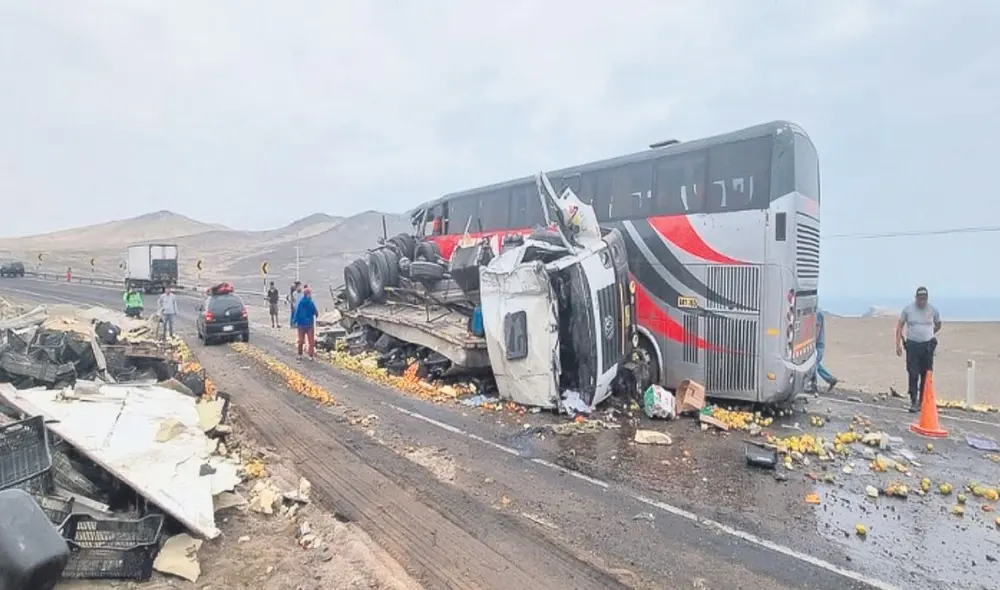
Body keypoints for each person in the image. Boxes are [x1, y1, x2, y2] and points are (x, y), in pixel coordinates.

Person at [895, 286, 942, 412]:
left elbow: (938, 324)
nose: (922, 300)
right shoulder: (908, 309)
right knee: (913, 373)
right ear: (916, 298)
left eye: (924, 298)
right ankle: (914, 401)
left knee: (926, 374)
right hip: (913, 346)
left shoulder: (933, 310)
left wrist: (929, 334)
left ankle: (923, 401)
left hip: (927, 347)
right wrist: (898, 344)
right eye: (920, 298)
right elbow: (899, 326)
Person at [809, 309, 838, 392]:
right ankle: (831, 379)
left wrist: (812, 343)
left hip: (818, 345)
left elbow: (817, 330)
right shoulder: (818, 314)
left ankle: (813, 385)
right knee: (816, 364)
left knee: (813, 365)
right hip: (819, 344)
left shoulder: (817, 315)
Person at [292, 287, 319, 360]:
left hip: (301, 324)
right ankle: (310, 356)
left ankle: (299, 354)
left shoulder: (301, 302)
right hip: (309, 324)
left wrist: (294, 321)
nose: (311, 295)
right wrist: (316, 316)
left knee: (301, 340)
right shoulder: (311, 303)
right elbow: (316, 312)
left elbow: (297, 313)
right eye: (310, 293)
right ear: (307, 294)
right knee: (311, 341)